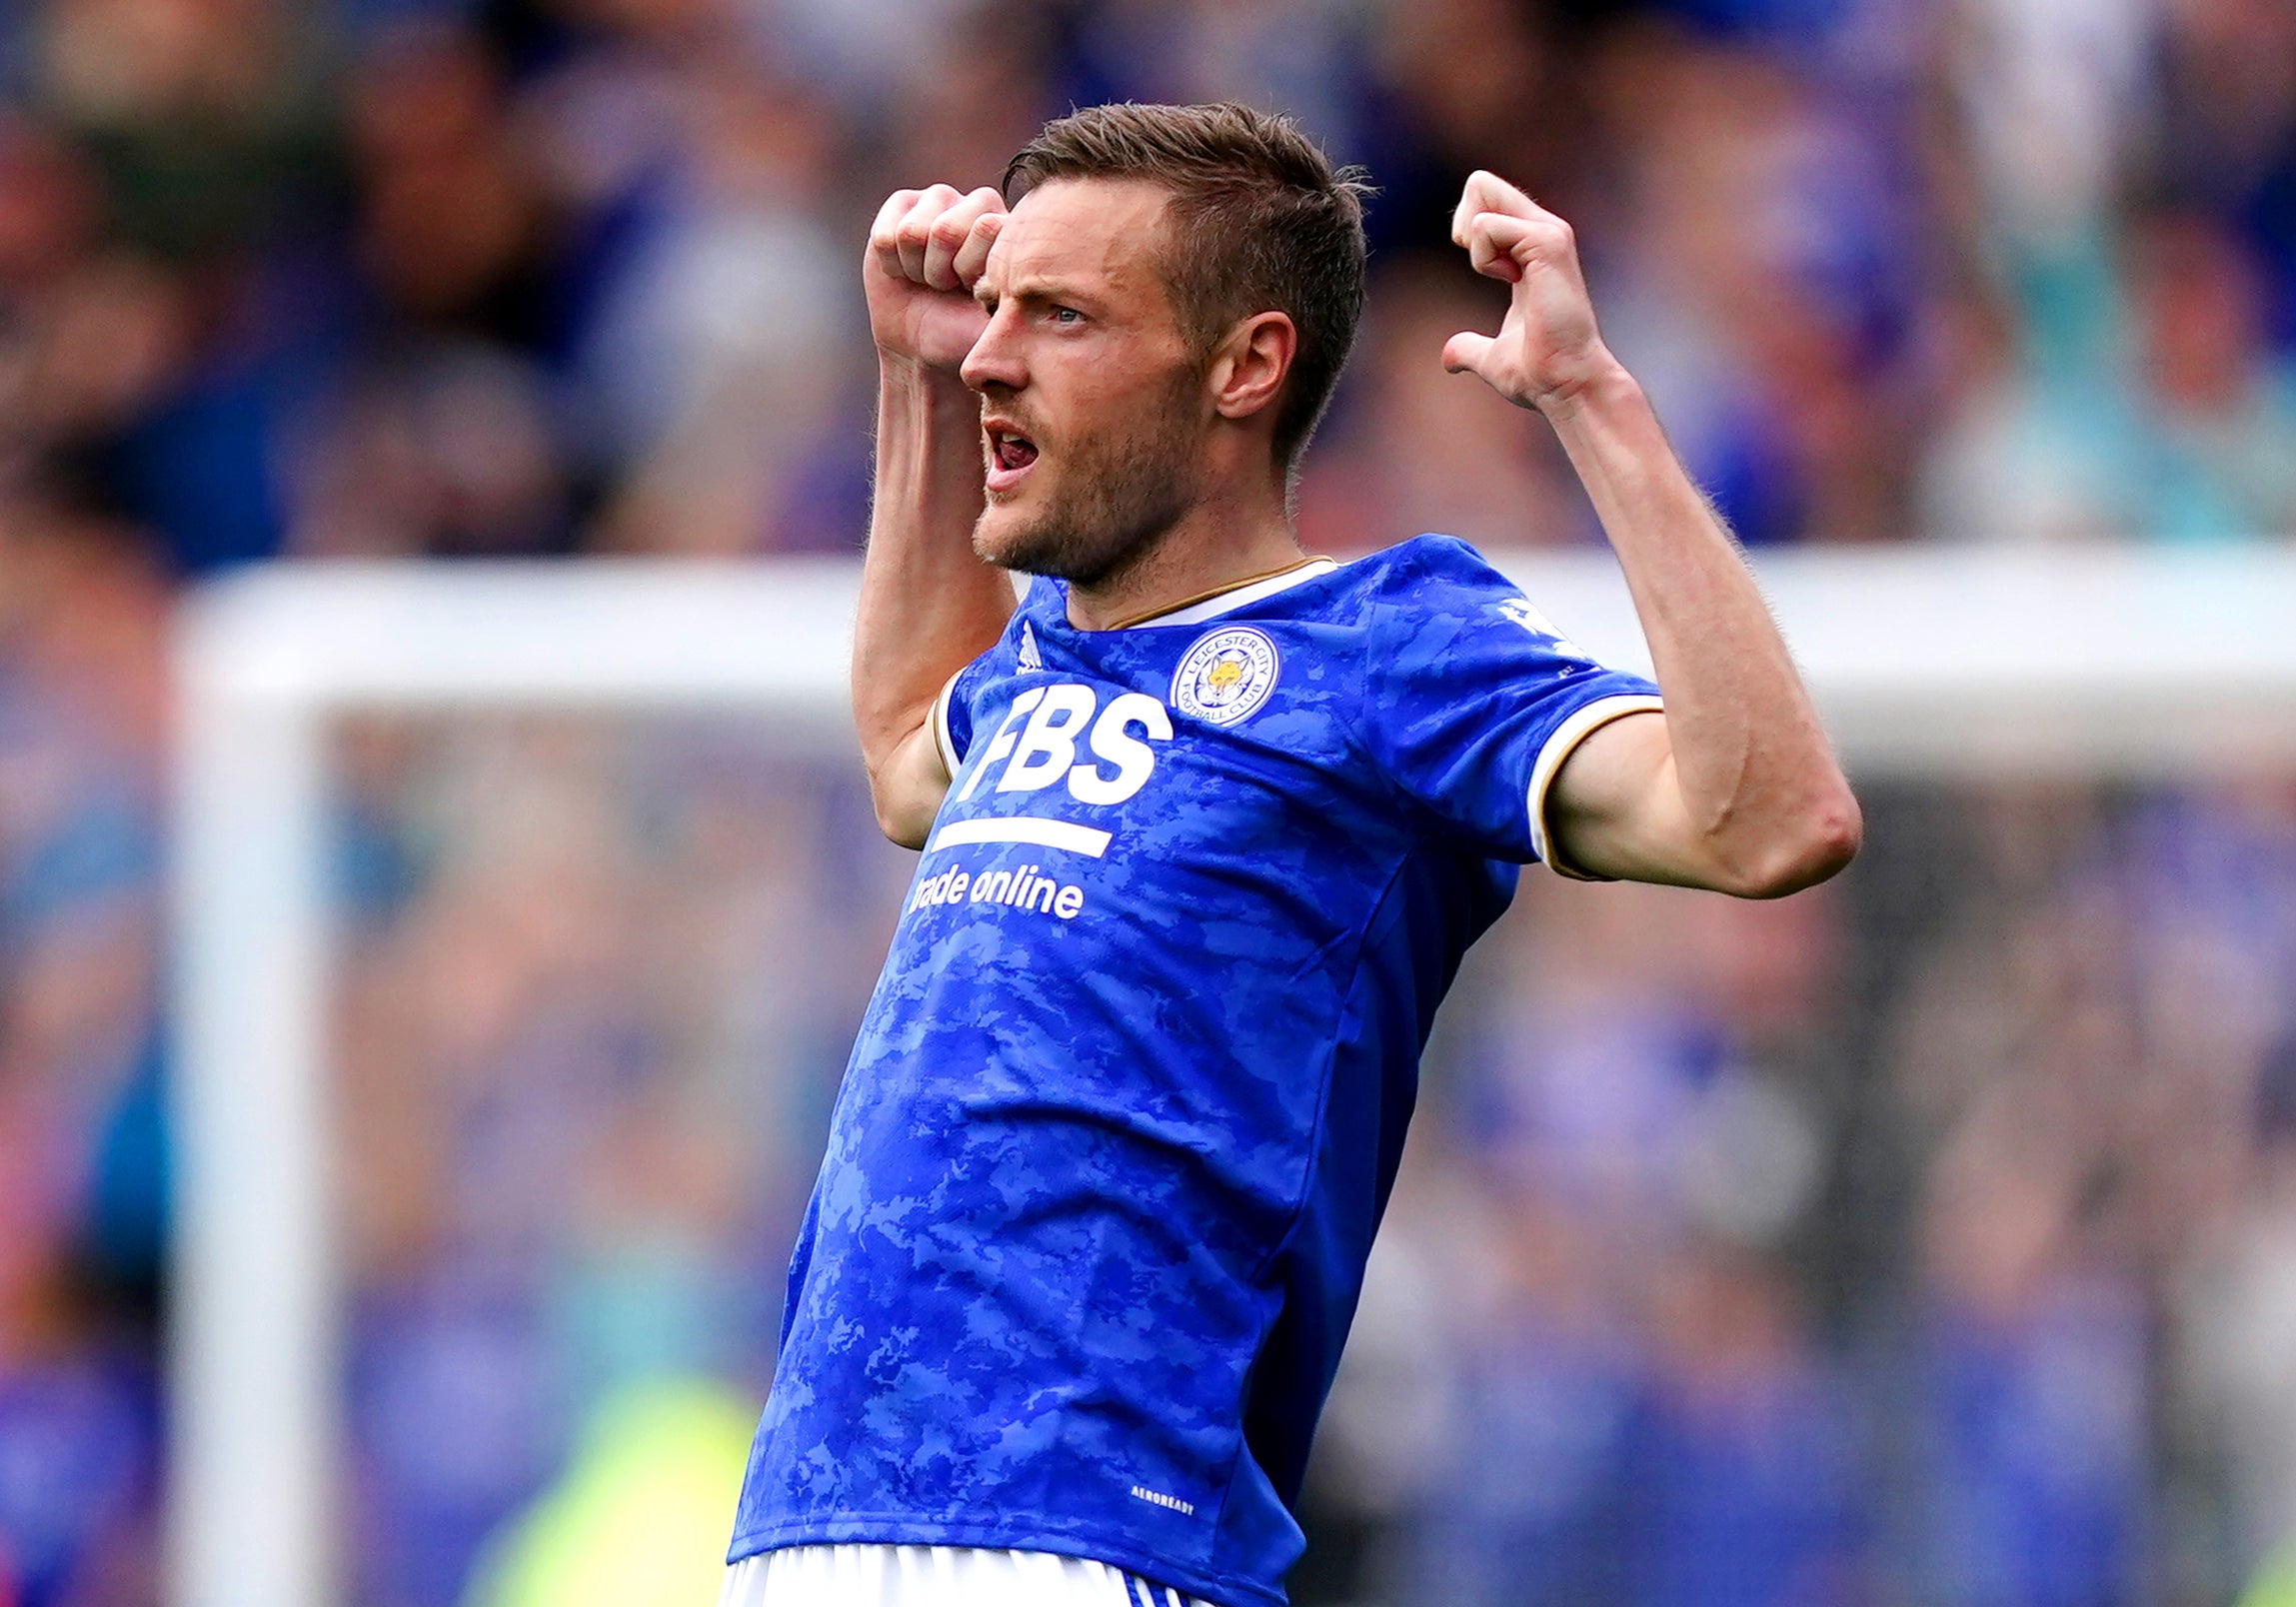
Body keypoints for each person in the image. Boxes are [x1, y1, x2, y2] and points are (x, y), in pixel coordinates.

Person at [722, 102, 1860, 1607]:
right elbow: (900, 758)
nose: (995, 352)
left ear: (1244, 366)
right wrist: (916, 378)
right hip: (811, 1516)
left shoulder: (1382, 651)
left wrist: (1591, 397)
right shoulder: (1046, 658)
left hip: (1084, 1535)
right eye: (995, 312)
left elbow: (1767, 816)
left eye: (1057, 316)